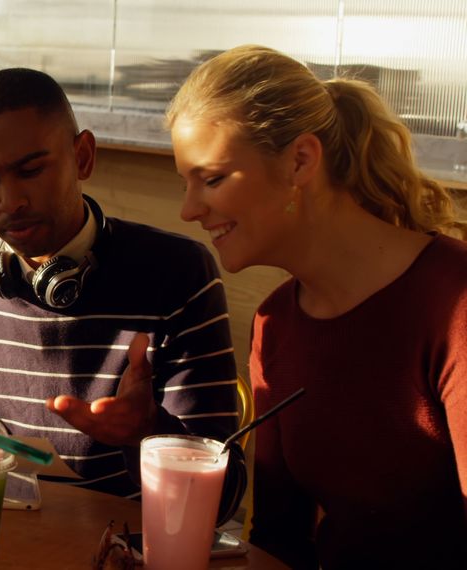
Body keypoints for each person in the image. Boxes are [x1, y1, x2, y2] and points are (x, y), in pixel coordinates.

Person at [167, 44, 467, 568]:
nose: (190, 209)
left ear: (301, 160)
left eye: (212, 179)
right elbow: (279, 540)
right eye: (186, 183)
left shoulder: (454, 304)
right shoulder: (276, 323)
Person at [0, 67, 245, 522]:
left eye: (30, 171)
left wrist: (147, 432)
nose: (10, 201)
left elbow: (222, 503)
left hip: (117, 544)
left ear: (83, 156)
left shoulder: (176, 272)